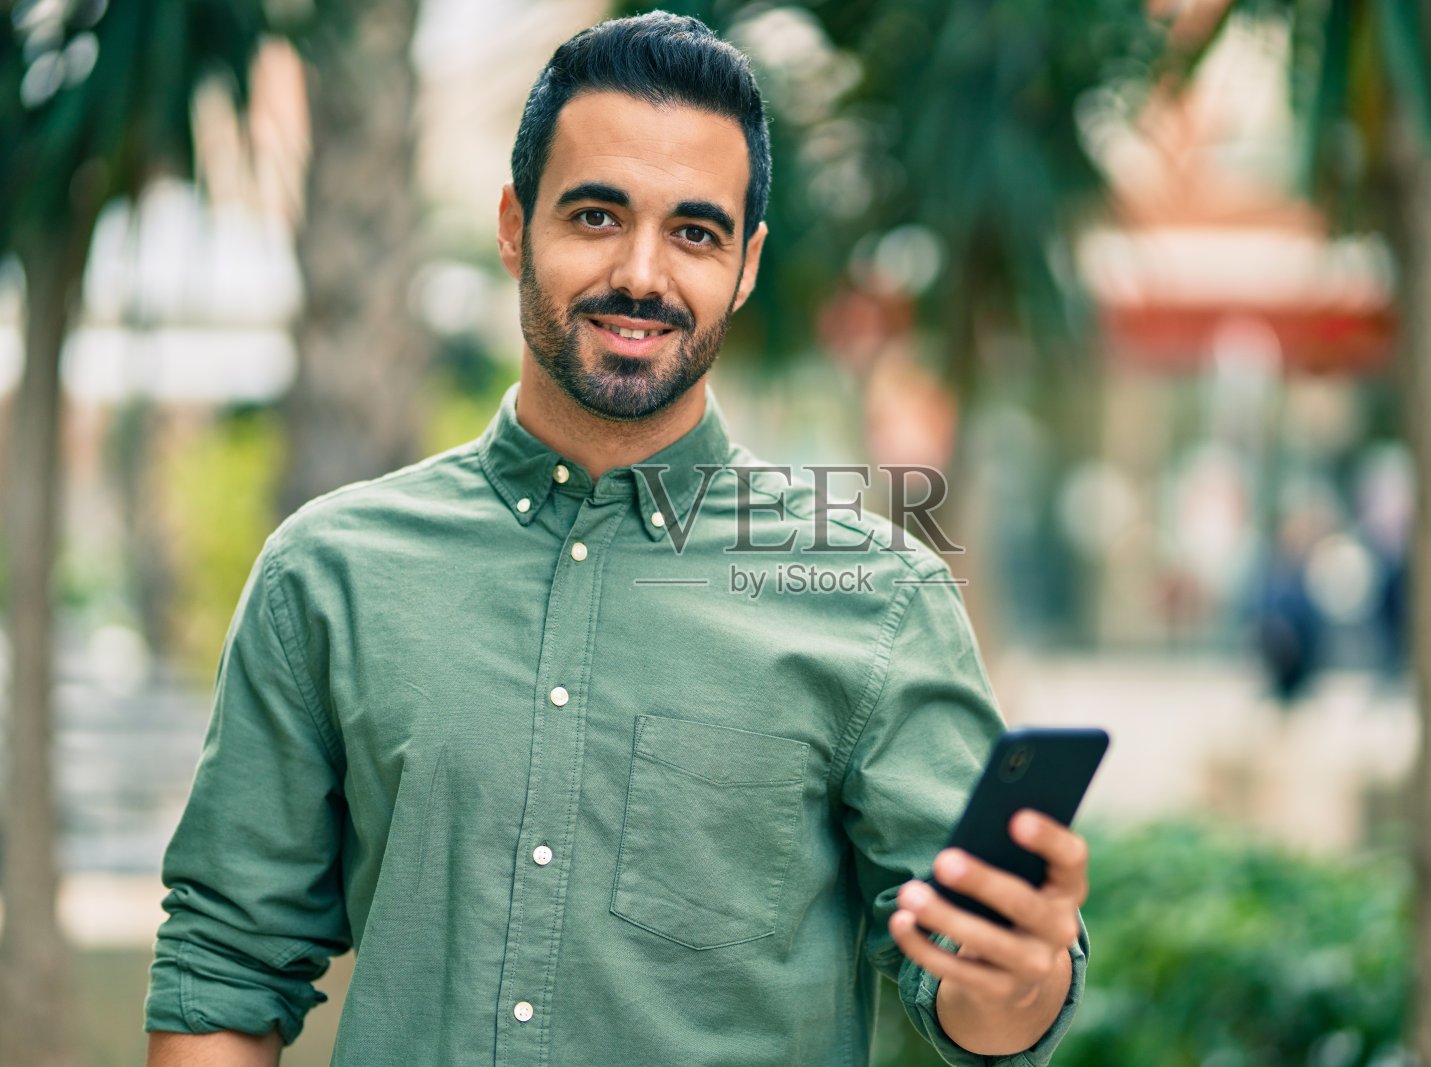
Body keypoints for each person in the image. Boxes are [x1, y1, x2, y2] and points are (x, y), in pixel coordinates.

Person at [144, 13, 1090, 1066]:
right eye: (596, 216)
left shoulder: (877, 597)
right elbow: (226, 965)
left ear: (745, 264)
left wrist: (1020, 971)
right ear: (515, 226)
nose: (642, 273)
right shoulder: (329, 574)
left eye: (696, 233)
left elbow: (973, 999)